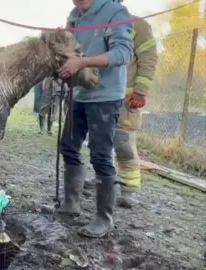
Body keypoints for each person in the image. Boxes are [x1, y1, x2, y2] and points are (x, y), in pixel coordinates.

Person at [50, 0, 134, 238]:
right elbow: (72, 48)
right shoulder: (74, 15)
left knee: (100, 154)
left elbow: (124, 52)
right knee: (68, 147)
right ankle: (71, 203)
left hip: (106, 96)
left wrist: (83, 62)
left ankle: (104, 218)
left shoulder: (115, 12)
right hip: (79, 93)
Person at [83, 0, 158, 209]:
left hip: (125, 98)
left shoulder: (137, 25)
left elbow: (149, 59)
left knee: (122, 143)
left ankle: (129, 188)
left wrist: (140, 91)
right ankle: (103, 177)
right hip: (100, 96)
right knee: (99, 142)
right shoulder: (95, 25)